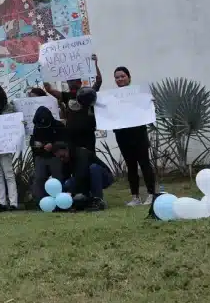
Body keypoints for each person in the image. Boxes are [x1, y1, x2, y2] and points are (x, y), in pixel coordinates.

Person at [113, 66, 156, 206]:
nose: (120, 79)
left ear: (129, 78)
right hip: (122, 135)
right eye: (117, 77)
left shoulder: (139, 93)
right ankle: (135, 197)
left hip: (138, 133)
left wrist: (150, 101)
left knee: (144, 163)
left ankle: (151, 194)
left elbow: (146, 106)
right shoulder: (111, 97)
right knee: (130, 166)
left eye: (122, 76)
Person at [59, 142, 114, 210]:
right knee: (68, 184)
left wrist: (70, 191)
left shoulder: (81, 153)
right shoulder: (65, 161)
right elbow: (65, 178)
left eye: (63, 156)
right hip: (87, 179)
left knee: (93, 168)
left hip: (105, 178)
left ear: (67, 150)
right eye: (59, 158)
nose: (62, 159)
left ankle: (98, 200)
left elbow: (81, 173)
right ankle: (86, 200)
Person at [31, 106, 66, 199]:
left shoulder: (58, 125)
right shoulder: (37, 127)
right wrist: (37, 145)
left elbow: (65, 141)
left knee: (57, 179)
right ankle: (41, 200)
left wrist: (53, 146)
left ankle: (60, 198)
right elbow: (33, 141)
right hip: (40, 155)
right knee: (39, 178)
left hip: (55, 155)